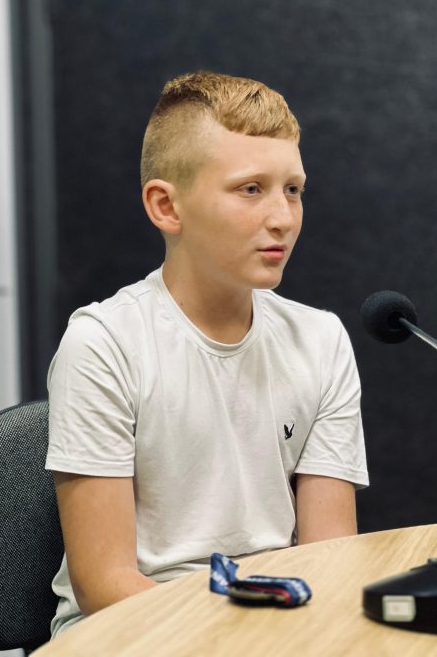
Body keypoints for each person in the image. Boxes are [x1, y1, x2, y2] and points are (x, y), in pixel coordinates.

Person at [45, 70, 368, 637]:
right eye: (251, 189)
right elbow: (103, 585)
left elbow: (329, 556)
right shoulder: (104, 344)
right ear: (166, 206)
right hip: (128, 627)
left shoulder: (321, 340)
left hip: (272, 618)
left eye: (293, 190)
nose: (283, 217)